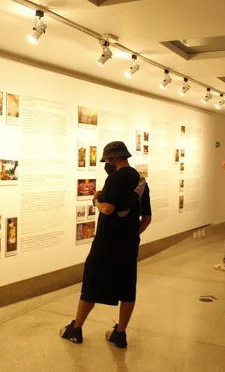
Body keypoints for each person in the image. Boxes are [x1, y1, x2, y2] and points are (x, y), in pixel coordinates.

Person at [60, 141, 152, 349]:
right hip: (129, 246)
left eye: (107, 160)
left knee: (91, 284)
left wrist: (95, 201)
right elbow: (146, 218)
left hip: (105, 244)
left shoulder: (114, 178)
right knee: (128, 288)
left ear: (113, 158)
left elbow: (108, 209)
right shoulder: (141, 181)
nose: (106, 164)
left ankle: (76, 329)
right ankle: (120, 333)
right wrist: (130, 234)